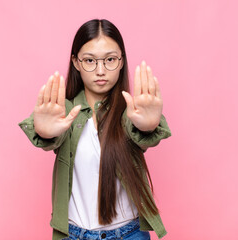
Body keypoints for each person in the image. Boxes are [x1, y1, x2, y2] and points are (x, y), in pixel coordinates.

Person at [18, 19, 171, 240]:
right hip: (74, 235)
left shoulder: (130, 111)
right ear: (76, 62)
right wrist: (43, 132)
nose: (100, 70)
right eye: (90, 60)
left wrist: (147, 127)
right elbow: (50, 133)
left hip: (130, 234)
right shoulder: (65, 111)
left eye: (110, 59)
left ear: (121, 61)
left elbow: (139, 132)